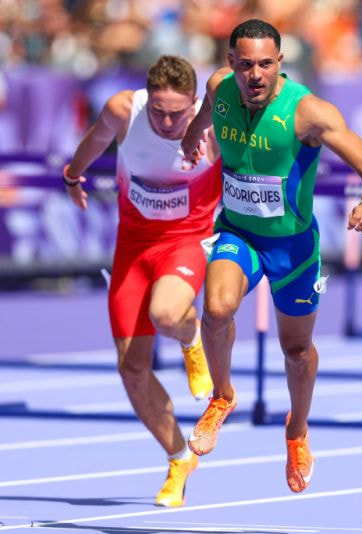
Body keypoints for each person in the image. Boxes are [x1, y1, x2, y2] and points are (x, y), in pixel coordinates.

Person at [180, 19, 362, 493]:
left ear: (281, 64)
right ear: (231, 62)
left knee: (296, 352)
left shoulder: (308, 113)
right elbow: (208, 110)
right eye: (247, 65)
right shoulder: (219, 87)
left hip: (293, 249)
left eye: (266, 65)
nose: (256, 75)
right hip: (238, 233)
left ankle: (297, 431)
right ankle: (223, 396)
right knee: (215, 311)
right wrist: (194, 134)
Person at [63, 55, 222, 506]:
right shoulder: (122, 110)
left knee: (167, 312)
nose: (169, 121)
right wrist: (73, 175)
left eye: (178, 112)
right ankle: (178, 459)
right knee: (132, 368)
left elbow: (229, 80)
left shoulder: (212, 131)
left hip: (188, 240)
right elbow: (94, 142)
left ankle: (191, 337)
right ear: (146, 100)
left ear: (196, 103)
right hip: (133, 246)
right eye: (159, 111)